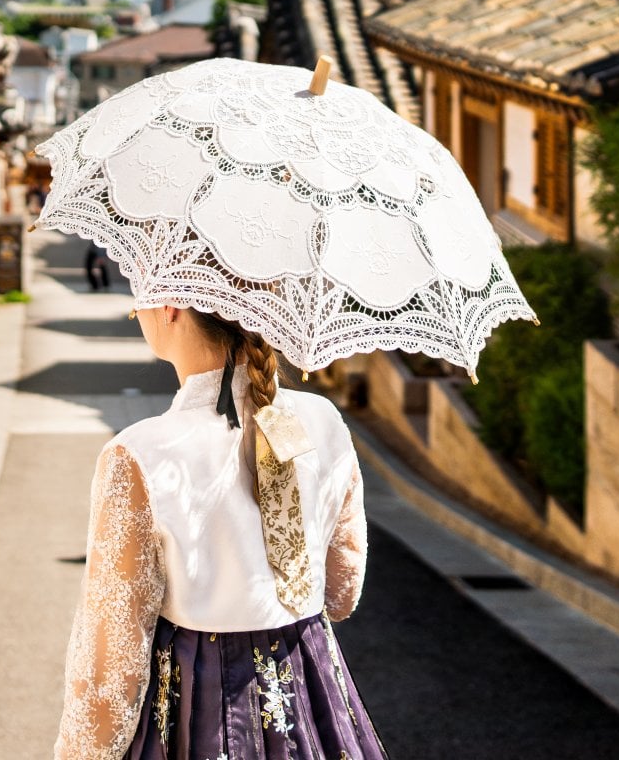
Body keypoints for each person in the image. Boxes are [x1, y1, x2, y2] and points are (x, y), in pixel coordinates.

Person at [54, 305, 386, 760]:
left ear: (170, 305)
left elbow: (111, 673)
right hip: (314, 702)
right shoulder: (323, 419)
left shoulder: (139, 453)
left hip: (197, 710)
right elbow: (341, 595)